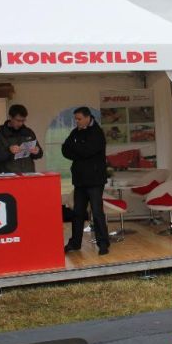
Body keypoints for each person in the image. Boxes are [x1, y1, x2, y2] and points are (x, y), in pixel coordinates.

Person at [62, 107, 109, 254]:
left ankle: (103, 244)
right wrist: (78, 150)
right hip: (80, 180)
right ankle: (75, 243)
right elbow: (64, 149)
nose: (77, 121)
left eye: (79, 119)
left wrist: (76, 149)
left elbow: (87, 151)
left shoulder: (97, 133)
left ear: (88, 117)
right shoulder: (75, 132)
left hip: (95, 180)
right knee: (78, 213)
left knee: (97, 212)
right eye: (75, 119)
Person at [0, 104, 43, 173]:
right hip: (8, 178)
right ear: (10, 117)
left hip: (28, 175)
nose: (20, 123)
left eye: (23, 120)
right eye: (18, 120)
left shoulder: (29, 132)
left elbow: (40, 154)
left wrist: (37, 151)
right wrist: (9, 151)